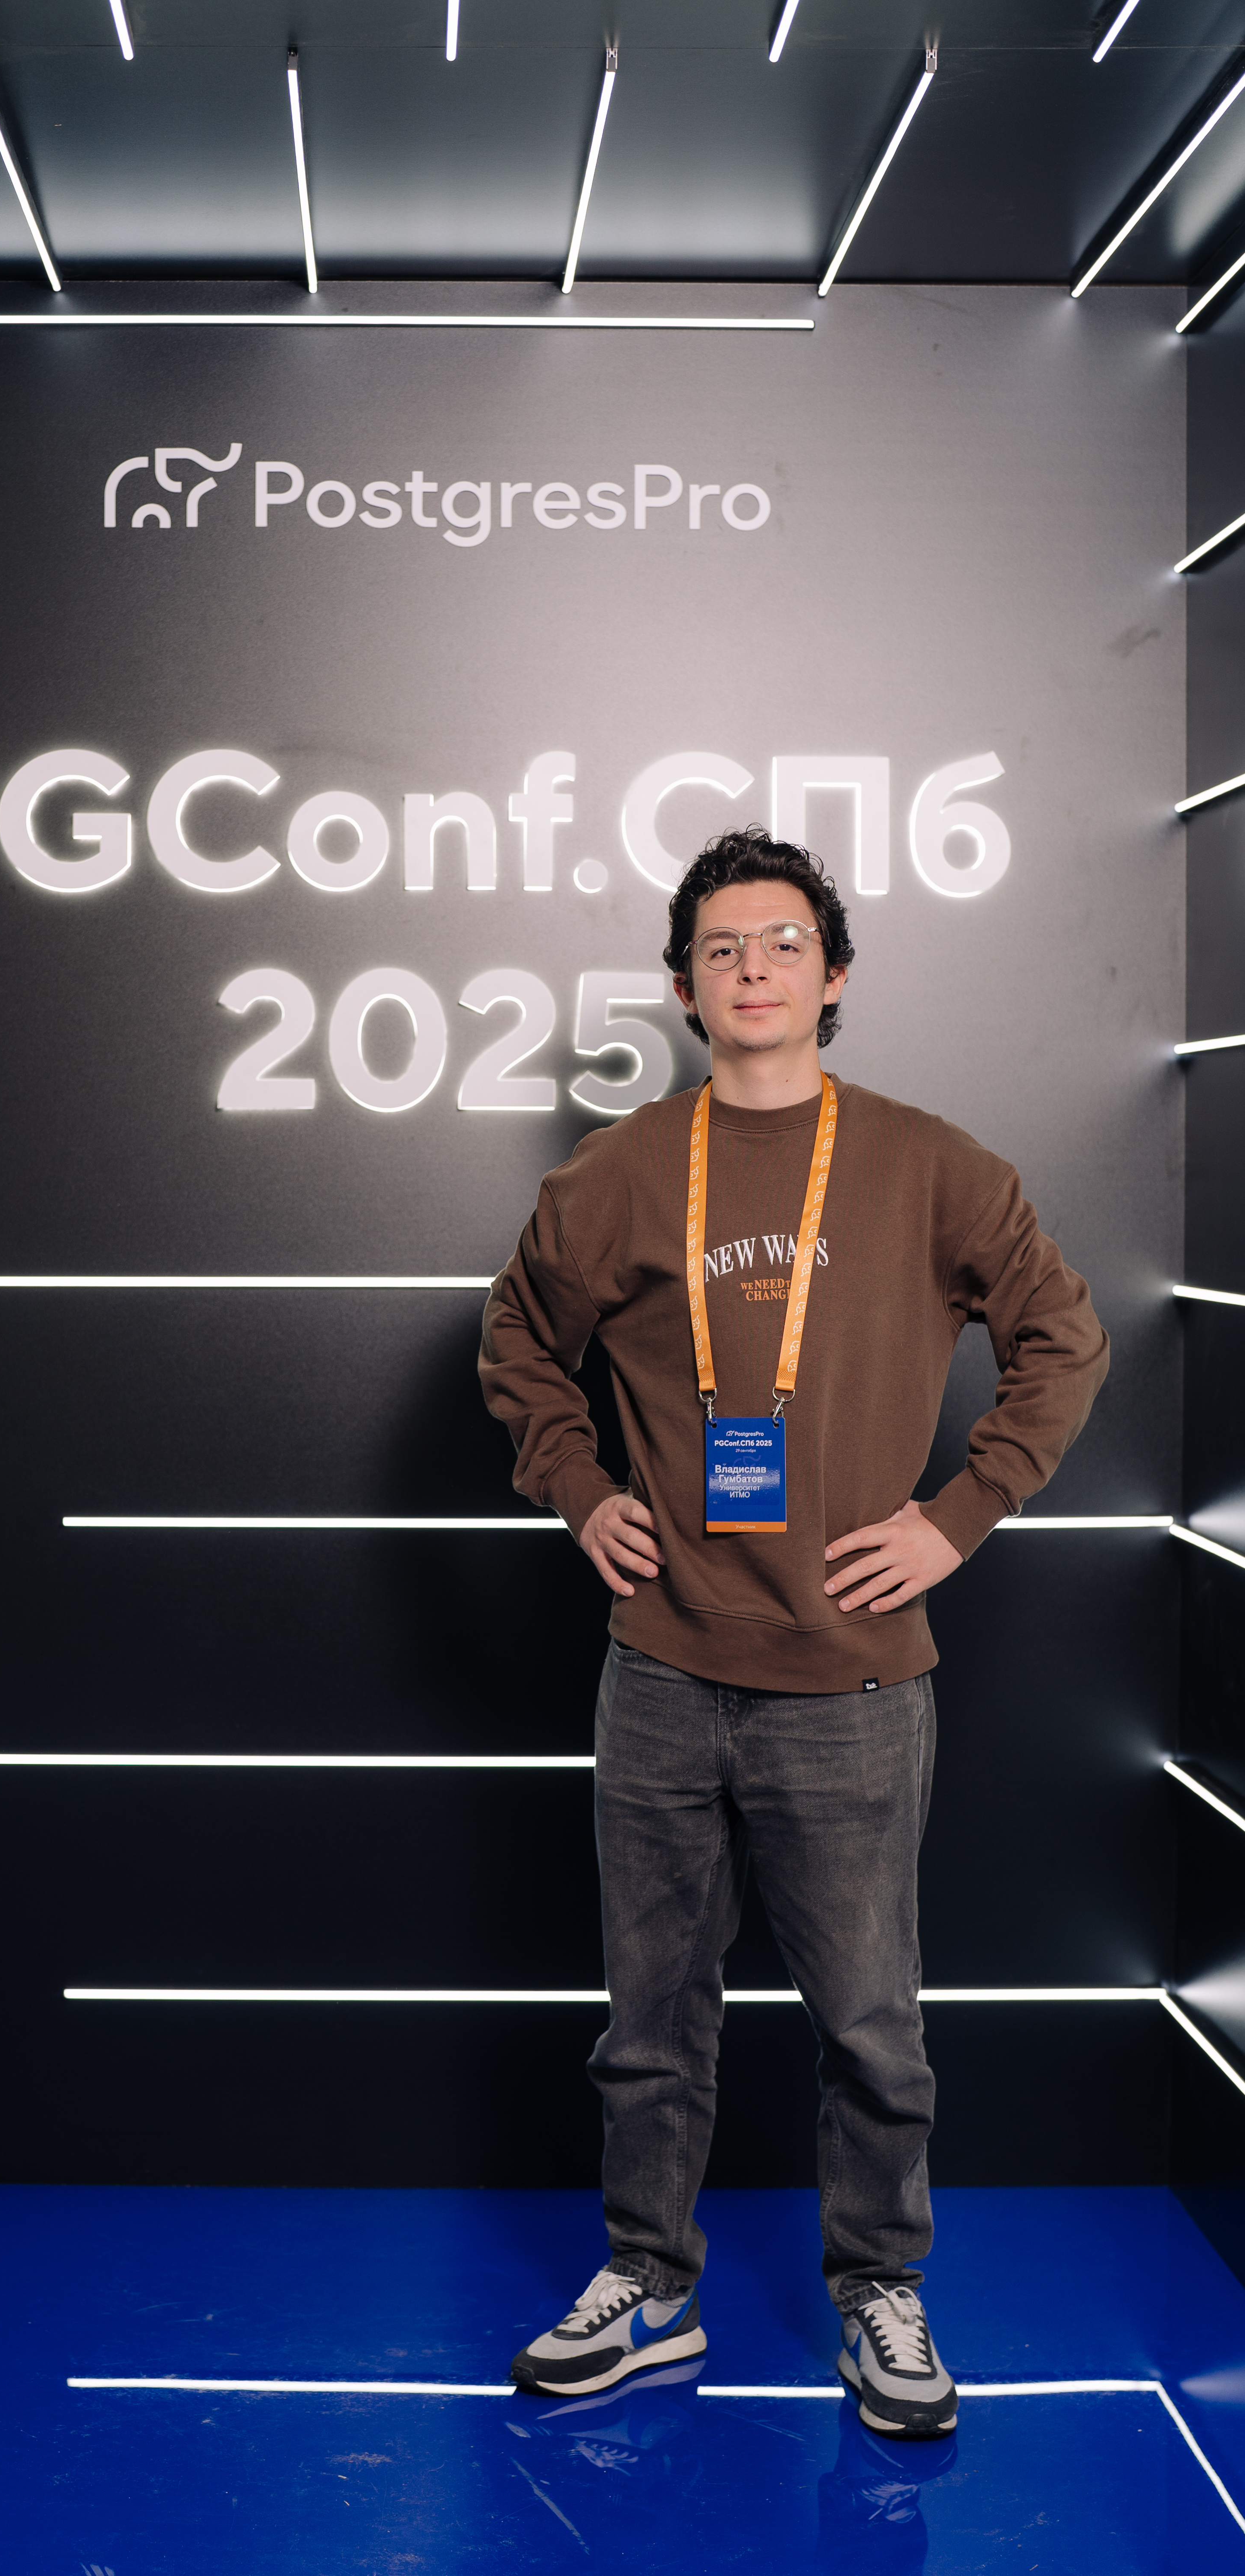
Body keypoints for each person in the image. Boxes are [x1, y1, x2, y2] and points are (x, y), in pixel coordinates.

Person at [479, 826, 1107, 2437]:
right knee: (648, 2024)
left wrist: (956, 1514)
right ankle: (648, 2282)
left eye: (779, 943)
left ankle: (879, 2286)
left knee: (871, 2027)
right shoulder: (619, 1172)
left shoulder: (927, 1163)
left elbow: (1061, 1337)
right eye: (719, 948)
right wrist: (577, 1489)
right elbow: (517, 1345)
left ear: (832, 977)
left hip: (851, 1678)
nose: (749, 968)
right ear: (684, 987)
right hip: (659, 1667)